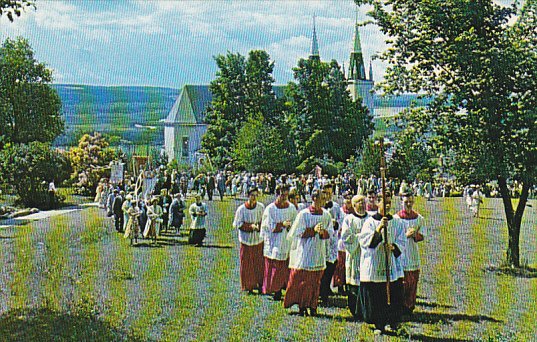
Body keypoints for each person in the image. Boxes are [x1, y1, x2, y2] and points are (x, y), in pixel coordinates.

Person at [359, 193, 405, 335]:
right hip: (375, 262)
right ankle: (379, 323)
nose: (387, 206)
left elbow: (402, 241)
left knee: (392, 293)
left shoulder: (397, 222)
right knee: (377, 294)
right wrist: (378, 230)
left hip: (391, 262)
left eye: (389, 203)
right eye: (384, 203)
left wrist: (393, 247)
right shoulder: (370, 222)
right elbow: (366, 242)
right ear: (378, 203)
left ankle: (393, 321)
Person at [284, 189, 333, 316]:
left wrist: (323, 233)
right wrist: (313, 230)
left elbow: (330, 233)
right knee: (303, 280)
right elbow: (297, 232)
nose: (324, 201)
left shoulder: (326, 215)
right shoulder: (304, 214)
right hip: (305, 250)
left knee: (315, 281)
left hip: (318, 250)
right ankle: (302, 305)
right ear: (314, 198)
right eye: (322, 198)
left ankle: (313, 305)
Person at [260, 184, 297, 301]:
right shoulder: (270, 209)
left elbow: (296, 223)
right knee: (274, 265)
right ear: (277, 194)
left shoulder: (291, 208)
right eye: (282, 195)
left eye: (286, 195)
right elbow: (266, 226)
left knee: (284, 266)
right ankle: (273, 289)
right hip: (274, 240)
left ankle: (281, 288)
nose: (284, 198)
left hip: (286, 240)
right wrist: (281, 225)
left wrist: (290, 226)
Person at [394, 193, 426, 316]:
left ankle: (410, 305)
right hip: (400, 253)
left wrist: (414, 235)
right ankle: (399, 306)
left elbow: (422, 235)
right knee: (401, 281)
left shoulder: (419, 218)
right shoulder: (396, 218)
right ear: (401, 202)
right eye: (406, 201)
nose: (408, 204)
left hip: (412, 252)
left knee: (412, 279)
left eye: (411, 202)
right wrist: (405, 235)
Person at [341, 195, 369, 320]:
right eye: (359, 202)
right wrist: (360, 237)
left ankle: (365, 310)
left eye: (363, 202)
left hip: (367, 255)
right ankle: (354, 309)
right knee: (354, 284)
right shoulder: (349, 219)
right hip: (355, 254)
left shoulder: (370, 218)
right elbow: (346, 237)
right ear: (353, 205)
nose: (362, 205)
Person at [233, 187, 265, 294]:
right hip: (246, 240)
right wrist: (250, 226)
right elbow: (238, 224)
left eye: (256, 196)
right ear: (248, 196)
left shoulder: (260, 207)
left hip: (258, 240)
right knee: (246, 264)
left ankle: (260, 284)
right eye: (252, 195)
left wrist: (259, 226)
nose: (254, 198)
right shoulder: (241, 209)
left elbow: (264, 221)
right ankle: (248, 286)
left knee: (259, 263)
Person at [320, 183, 341, 302]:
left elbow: (340, 221)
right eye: (325, 193)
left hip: (332, 239)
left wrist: (335, 224)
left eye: (329, 193)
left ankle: (327, 286)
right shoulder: (320, 207)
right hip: (322, 240)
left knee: (331, 264)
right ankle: (321, 290)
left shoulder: (336, 207)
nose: (327, 196)